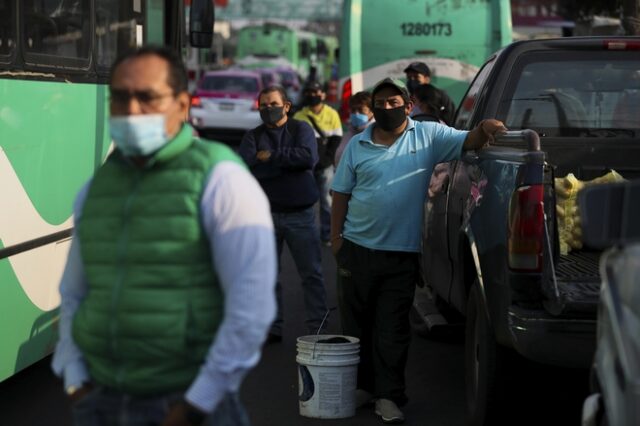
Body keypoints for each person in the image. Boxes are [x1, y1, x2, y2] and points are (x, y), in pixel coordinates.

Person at [51, 46, 277, 426]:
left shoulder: (221, 179)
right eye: (120, 97)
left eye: (147, 97)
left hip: (188, 405)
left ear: (182, 105)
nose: (131, 110)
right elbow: (74, 292)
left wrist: (195, 405)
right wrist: (75, 378)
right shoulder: (97, 187)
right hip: (101, 400)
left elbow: (251, 309)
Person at [330, 78, 506, 424]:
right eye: (381, 103)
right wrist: (336, 241)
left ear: (408, 106)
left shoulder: (427, 136)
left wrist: (487, 126)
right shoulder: (358, 144)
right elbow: (341, 194)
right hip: (356, 250)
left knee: (392, 328)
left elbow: (469, 140)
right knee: (356, 326)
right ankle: (364, 387)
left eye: (394, 102)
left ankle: (389, 396)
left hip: (401, 253)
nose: (387, 108)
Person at [238, 85, 328, 343]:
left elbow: (307, 158)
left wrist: (270, 157)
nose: (268, 109)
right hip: (265, 217)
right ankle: (273, 327)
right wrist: (284, 162)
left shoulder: (301, 129)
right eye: (263, 105)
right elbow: (245, 165)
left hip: (301, 215)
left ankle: (319, 327)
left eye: (273, 104)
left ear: (286, 106)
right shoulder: (253, 136)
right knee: (267, 276)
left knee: (311, 274)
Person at [293, 81, 343, 245]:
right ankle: (304, 234)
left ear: (323, 94)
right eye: (309, 92)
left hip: (325, 166)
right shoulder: (299, 116)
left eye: (315, 92)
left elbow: (336, 139)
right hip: (305, 168)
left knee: (327, 202)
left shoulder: (332, 114)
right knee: (303, 202)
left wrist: (326, 159)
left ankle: (327, 235)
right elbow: (295, 142)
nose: (312, 95)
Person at [404, 61, 456, 126]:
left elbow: (451, 118)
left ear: (427, 79)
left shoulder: (439, 97)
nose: (412, 80)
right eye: (409, 77)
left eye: (416, 77)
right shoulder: (406, 99)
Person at [334, 91, 375, 166]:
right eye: (353, 110)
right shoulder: (349, 133)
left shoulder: (377, 134)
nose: (356, 113)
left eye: (360, 110)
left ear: (372, 111)